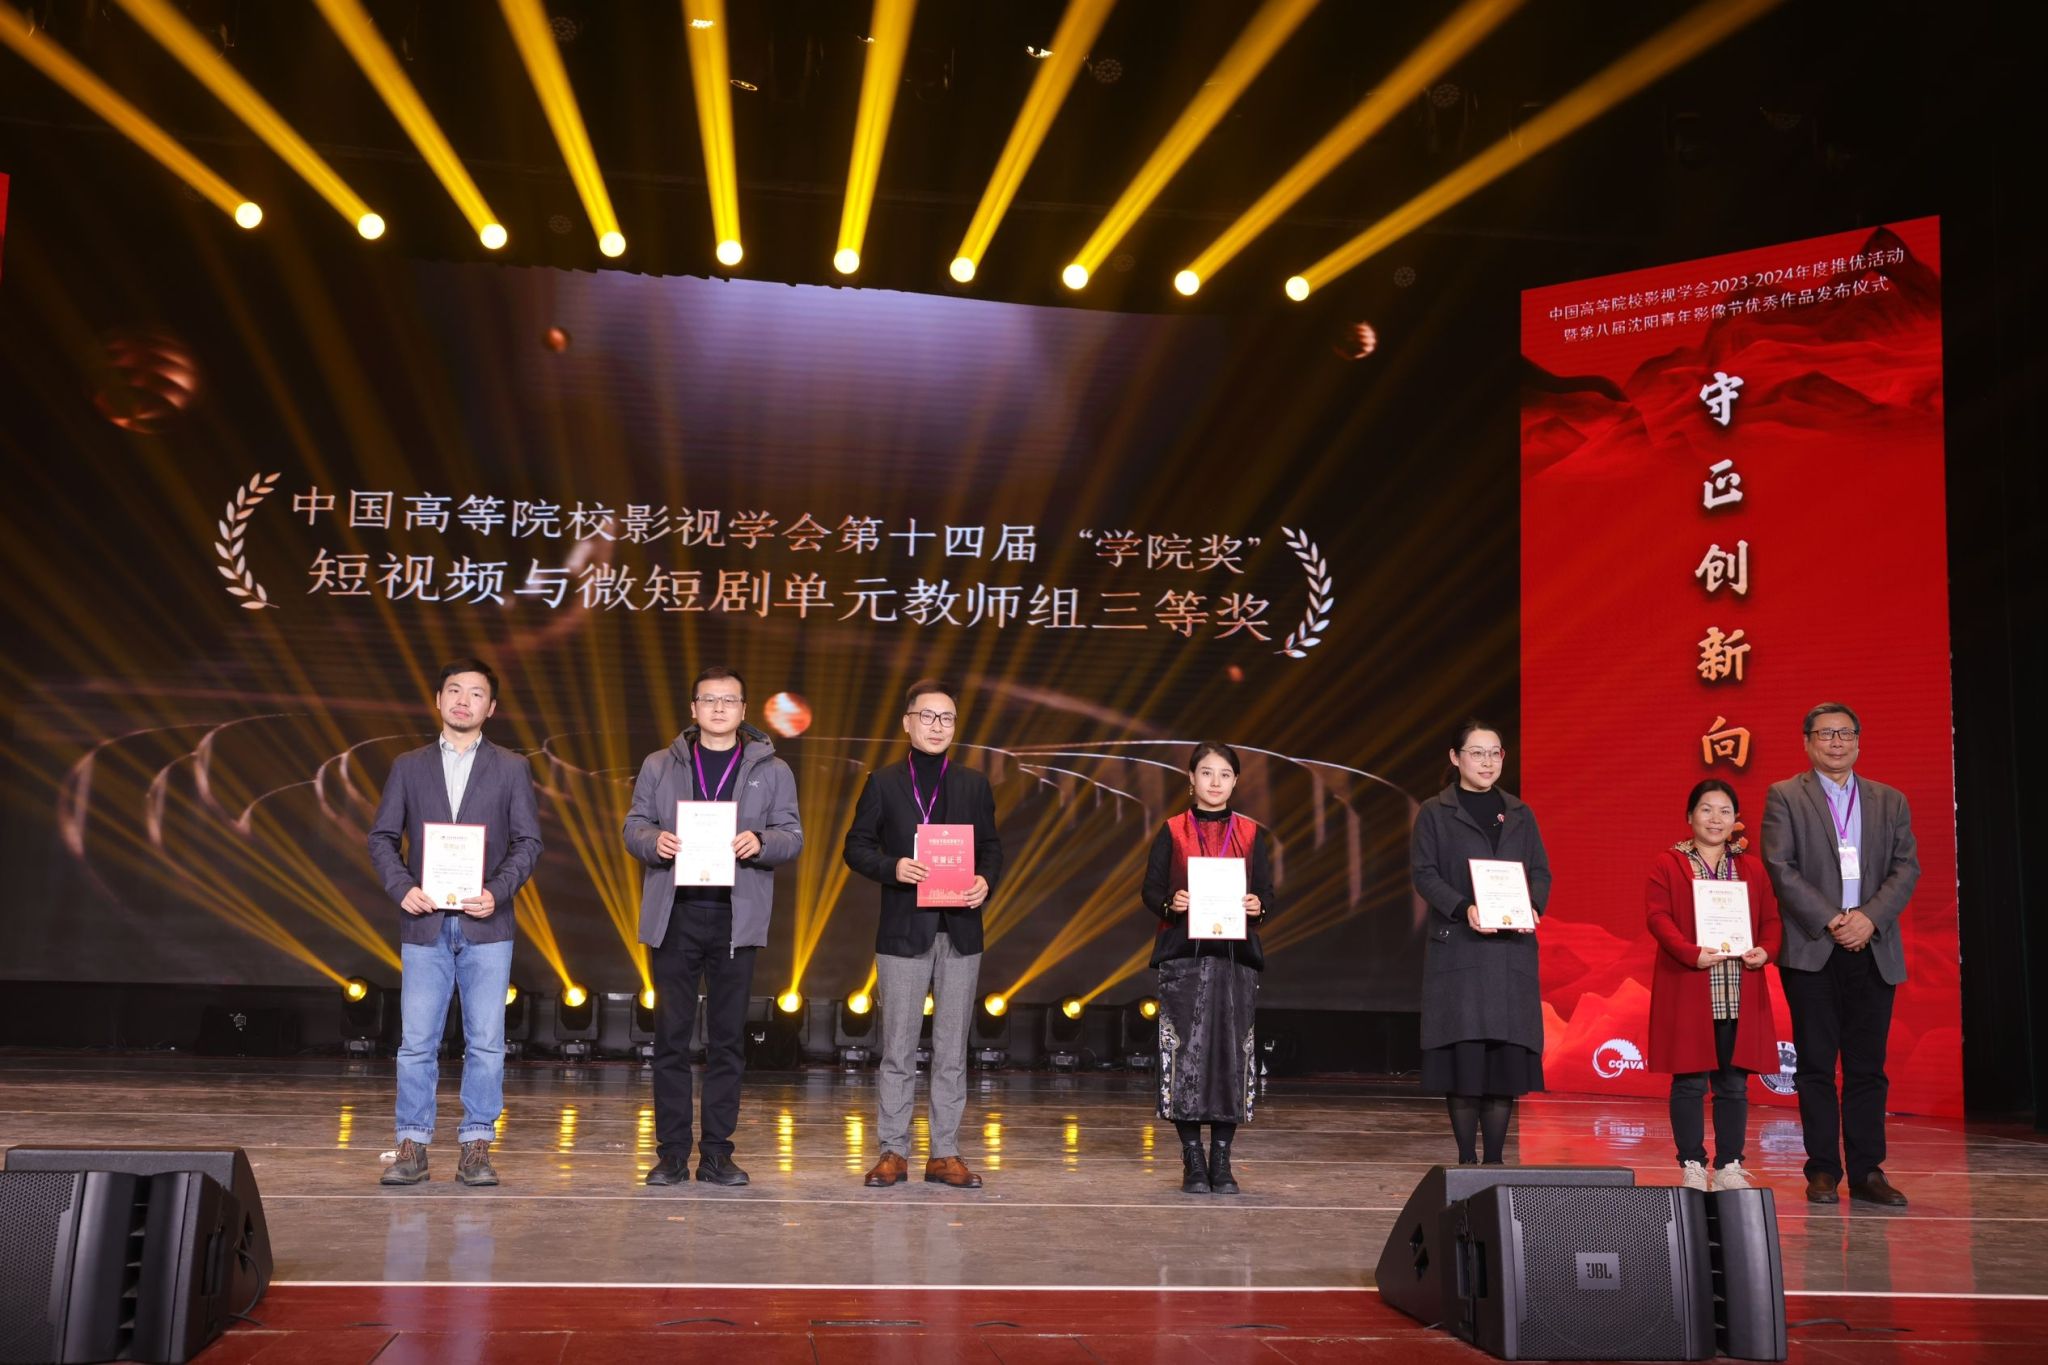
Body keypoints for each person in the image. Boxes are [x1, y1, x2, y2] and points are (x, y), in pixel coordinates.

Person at [623, 666, 803, 1188]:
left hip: (734, 917)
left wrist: (761, 842)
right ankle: (672, 1154)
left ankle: (718, 1154)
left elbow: (792, 835)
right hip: (675, 913)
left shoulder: (772, 769)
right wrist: (652, 841)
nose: (719, 708)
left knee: (727, 1042)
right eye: (709, 700)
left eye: (729, 700)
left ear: (744, 710)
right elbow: (633, 826)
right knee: (671, 1040)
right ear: (693, 708)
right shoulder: (660, 764)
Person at [367, 658, 543, 1187]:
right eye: (454, 690)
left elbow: (527, 842)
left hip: (487, 924)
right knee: (416, 1042)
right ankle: (412, 1145)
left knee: (486, 1041)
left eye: (476, 693)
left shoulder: (511, 767)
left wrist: (496, 892)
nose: (464, 700)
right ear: (439, 700)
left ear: (492, 707)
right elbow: (382, 838)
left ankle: (476, 1145)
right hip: (424, 924)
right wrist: (403, 888)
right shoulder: (409, 766)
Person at [843, 678, 1004, 1190]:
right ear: (907, 722)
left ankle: (945, 1153)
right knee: (898, 1047)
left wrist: (985, 880)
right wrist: (894, 867)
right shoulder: (885, 782)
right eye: (928, 716)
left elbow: (992, 848)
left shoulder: (974, 784)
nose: (938, 726)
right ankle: (892, 1151)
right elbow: (856, 847)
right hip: (903, 930)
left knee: (953, 1049)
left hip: (960, 930)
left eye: (947, 718)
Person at [1762, 703, 1921, 1207]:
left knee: (1867, 1067)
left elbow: (1906, 868)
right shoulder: (1786, 795)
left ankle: (1868, 1171)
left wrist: (1869, 918)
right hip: (1814, 948)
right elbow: (1780, 867)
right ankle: (1823, 1170)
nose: (1837, 742)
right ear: (1807, 741)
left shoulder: (1889, 800)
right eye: (1826, 734)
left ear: (1858, 740)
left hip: (1873, 946)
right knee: (1814, 1065)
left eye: (1846, 733)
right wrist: (1833, 919)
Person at [1408, 721, 1550, 1165]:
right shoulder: (1435, 811)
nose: (1487, 762)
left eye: (1495, 753)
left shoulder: (1520, 812)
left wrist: (1532, 906)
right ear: (1456, 758)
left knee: (1503, 1060)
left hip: (1510, 953)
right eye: (1476, 753)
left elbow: (1540, 872)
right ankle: (1467, 1160)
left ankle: (1495, 1162)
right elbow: (1424, 874)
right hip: (1462, 949)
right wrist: (1464, 907)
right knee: (1465, 1057)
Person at [1140, 742, 1277, 1195]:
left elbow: (1266, 893)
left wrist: (1258, 905)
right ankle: (1192, 1158)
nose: (1215, 782)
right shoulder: (1172, 830)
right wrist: (1171, 903)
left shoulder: (1251, 833)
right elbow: (1150, 890)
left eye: (1224, 774)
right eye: (1206, 773)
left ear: (1235, 781)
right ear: (1191, 778)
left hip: (1235, 960)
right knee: (1186, 1058)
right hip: (1184, 957)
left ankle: (1222, 1157)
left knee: (1230, 1058)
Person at [1645, 779, 1781, 1192]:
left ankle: (1729, 1166)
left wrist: (1766, 950)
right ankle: (1692, 1164)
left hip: (1738, 990)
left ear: (1735, 819)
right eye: (1706, 809)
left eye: (1725, 811)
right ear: (1690, 816)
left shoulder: (1751, 867)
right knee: (1688, 1082)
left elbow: (1771, 920)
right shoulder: (1669, 864)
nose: (1715, 819)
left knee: (1733, 1085)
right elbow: (1658, 918)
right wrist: (1690, 953)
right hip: (1691, 987)